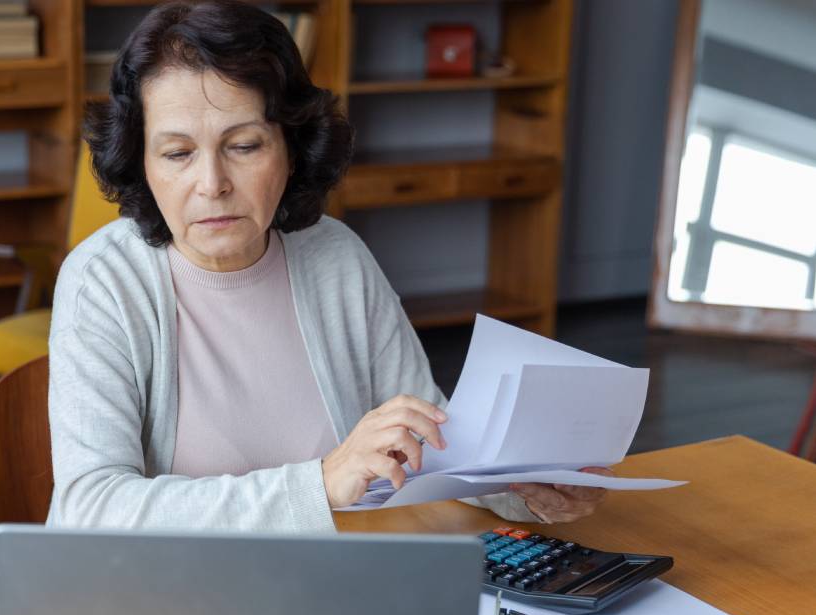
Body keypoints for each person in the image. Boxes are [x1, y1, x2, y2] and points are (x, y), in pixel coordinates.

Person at [46, 0, 608, 532]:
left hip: (336, 577)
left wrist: (522, 487)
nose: (212, 184)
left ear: (292, 150)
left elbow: (426, 444)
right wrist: (320, 484)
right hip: (175, 589)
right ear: (141, 164)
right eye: (177, 154)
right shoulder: (104, 282)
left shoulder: (335, 255)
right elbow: (90, 508)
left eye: (244, 146)